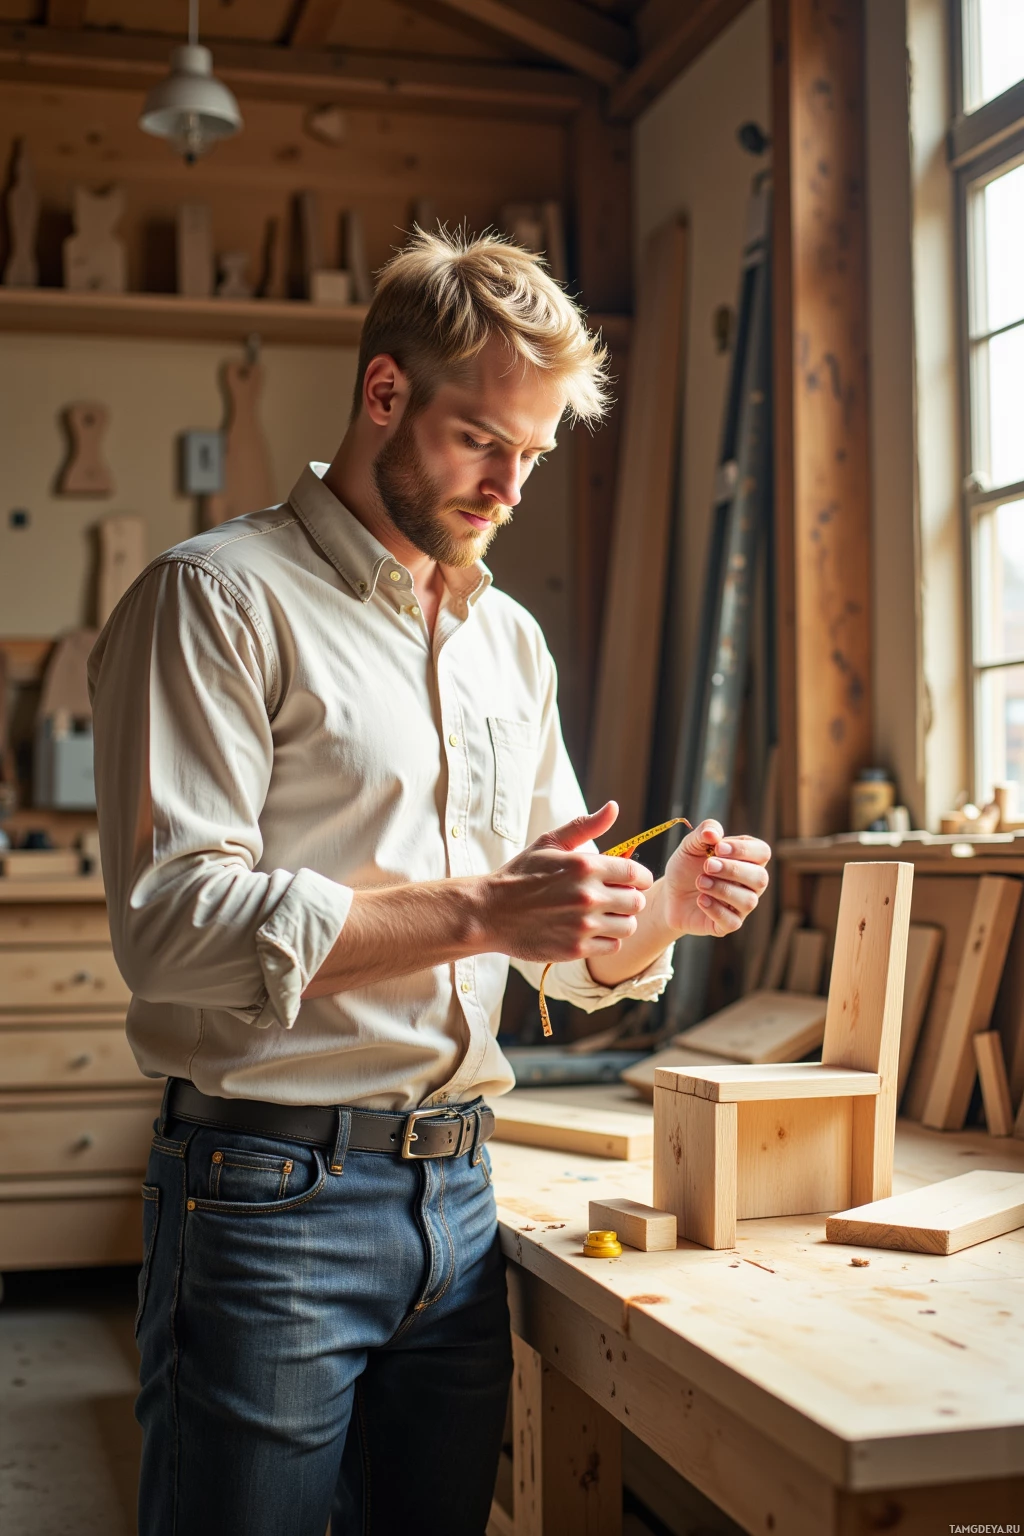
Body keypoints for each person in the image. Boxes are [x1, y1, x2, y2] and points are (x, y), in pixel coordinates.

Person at [89, 228, 771, 1536]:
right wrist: (480, 909)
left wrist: (656, 914)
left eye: (537, 454)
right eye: (483, 443)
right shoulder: (219, 599)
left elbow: (563, 947)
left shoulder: (508, 644)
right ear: (385, 394)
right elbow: (175, 933)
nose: (512, 487)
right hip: (264, 1199)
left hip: (461, 1200)